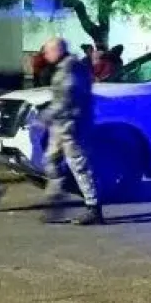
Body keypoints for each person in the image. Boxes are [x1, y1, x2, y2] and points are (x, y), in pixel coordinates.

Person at [40, 37, 104, 225]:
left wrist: (47, 114)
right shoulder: (65, 66)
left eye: (48, 51)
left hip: (72, 124)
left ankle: (94, 208)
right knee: (52, 160)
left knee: (79, 165)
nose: (45, 55)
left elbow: (68, 97)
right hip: (62, 124)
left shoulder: (70, 67)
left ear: (58, 50)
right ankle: (55, 202)